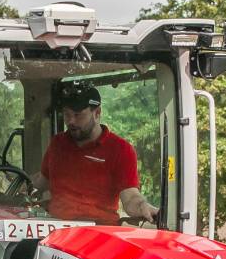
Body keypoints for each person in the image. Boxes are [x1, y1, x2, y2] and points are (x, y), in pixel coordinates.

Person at [36, 82, 159, 225]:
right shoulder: (57, 143)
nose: (71, 121)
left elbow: (130, 197)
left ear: (97, 113)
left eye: (77, 115)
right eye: (67, 114)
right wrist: (17, 191)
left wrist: (142, 206)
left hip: (98, 232)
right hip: (55, 230)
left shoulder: (120, 150)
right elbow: (41, 181)